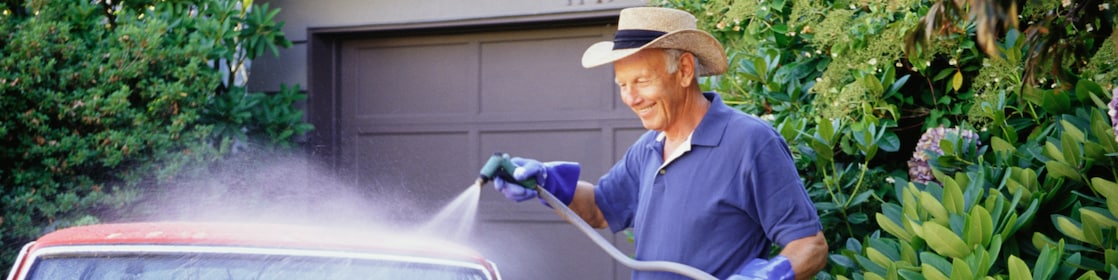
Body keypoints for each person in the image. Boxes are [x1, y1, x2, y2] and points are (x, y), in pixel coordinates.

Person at [493, 6, 828, 280]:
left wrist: (765, 277)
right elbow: (599, 209)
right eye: (622, 84)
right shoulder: (649, 147)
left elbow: (809, 244)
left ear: (683, 71)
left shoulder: (750, 142)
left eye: (641, 80)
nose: (630, 98)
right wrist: (547, 184)